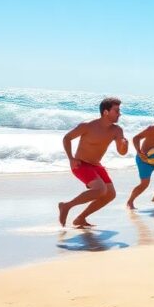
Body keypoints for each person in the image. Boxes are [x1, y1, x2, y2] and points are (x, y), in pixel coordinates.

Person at [58, 97, 129, 228]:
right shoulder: (87, 126)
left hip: (96, 165)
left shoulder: (116, 130)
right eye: (116, 111)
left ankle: (80, 218)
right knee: (101, 190)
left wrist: (124, 144)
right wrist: (71, 158)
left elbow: (122, 152)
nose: (119, 114)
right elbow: (67, 138)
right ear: (106, 112)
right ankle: (66, 206)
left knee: (110, 194)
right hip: (80, 164)